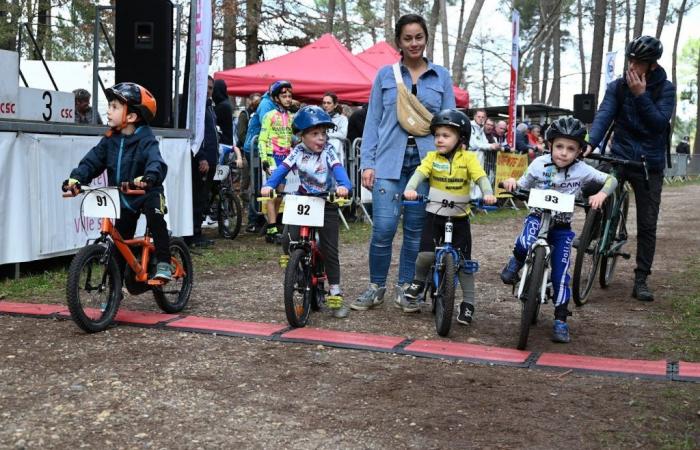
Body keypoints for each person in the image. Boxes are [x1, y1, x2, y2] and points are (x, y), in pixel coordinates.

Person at [351, 13, 456, 312]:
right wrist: (367, 163)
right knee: (383, 227)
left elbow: (451, 124)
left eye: (418, 37)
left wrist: (449, 163)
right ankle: (376, 287)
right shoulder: (385, 75)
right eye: (407, 38)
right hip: (387, 161)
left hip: (426, 164)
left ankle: (405, 290)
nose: (414, 43)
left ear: (426, 39)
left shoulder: (441, 76)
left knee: (414, 229)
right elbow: (372, 121)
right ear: (398, 41)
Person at [500, 117, 618, 343]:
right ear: (550, 145)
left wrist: (601, 194)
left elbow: (611, 180)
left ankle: (561, 319)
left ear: (580, 151)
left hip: (561, 226)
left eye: (571, 149)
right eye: (559, 146)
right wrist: (512, 183)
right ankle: (515, 262)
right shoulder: (538, 164)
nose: (564, 153)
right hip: (537, 215)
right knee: (525, 242)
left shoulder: (583, 170)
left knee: (561, 273)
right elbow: (522, 184)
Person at [585, 35, 675, 302]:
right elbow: (604, 115)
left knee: (647, 223)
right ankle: (595, 230)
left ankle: (641, 279)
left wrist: (641, 96)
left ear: (652, 65)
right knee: (593, 186)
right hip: (620, 153)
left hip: (649, 163)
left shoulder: (665, 89)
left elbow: (658, 123)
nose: (633, 65)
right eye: (631, 59)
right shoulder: (617, 86)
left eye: (640, 62)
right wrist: (590, 143)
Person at [62, 82, 171, 280]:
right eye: (109, 106)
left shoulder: (146, 139)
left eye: (114, 107)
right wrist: (76, 179)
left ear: (131, 116)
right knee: (120, 242)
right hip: (123, 197)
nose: (108, 110)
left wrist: (149, 178)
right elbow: (92, 161)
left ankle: (164, 262)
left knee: (156, 220)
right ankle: (115, 289)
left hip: (146, 192)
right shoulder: (110, 139)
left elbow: (156, 161)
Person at [403, 109, 496, 321]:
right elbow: (419, 174)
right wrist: (411, 189)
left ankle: (468, 303)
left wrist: (488, 194)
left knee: (464, 262)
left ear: (460, 138)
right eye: (437, 135)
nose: (439, 140)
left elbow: (480, 177)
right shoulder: (431, 158)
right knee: (425, 254)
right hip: (435, 214)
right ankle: (418, 282)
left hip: (460, 216)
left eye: (445, 136)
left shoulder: (469, 158)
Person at [261, 105, 353, 318]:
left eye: (323, 133)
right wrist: (270, 184)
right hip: (303, 199)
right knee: (286, 238)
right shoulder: (297, 151)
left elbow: (340, 171)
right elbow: (282, 169)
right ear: (301, 135)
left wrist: (344, 186)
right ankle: (296, 267)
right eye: (315, 134)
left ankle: (335, 291)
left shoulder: (329, 151)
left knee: (330, 249)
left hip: (326, 201)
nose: (321, 138)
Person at [258, 80, 294, 243]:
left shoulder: (290, 117)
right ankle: (272, 228)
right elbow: (262, 139)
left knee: (280, 192)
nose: (288, 99)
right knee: (272, 193)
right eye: (284, 96)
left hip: (286, 158)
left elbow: (291, 139)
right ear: (276, 98)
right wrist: (264, 160)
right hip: (273, 157)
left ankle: (272, 223)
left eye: (289, 96)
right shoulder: (269, 116)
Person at [189, 76, 218, 248]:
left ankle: (197, 231)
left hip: (212, 159)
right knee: (198, 198)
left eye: (211, 88)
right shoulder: (196, 109)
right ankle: (194, 234)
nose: (208, 90)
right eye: (205, 87)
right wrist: (201, 157)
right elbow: (196, 136)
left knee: (204, 197)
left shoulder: (209, 108)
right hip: (202, 160)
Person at [321, 92, 349, 164]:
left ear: (335, 105)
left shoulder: (342, 119)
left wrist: (327, 135)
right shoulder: (319, 118)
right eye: (324, 103)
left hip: (336, 153)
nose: (326, 105)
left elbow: (343, 135)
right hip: (320, 153)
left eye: (328, 103)